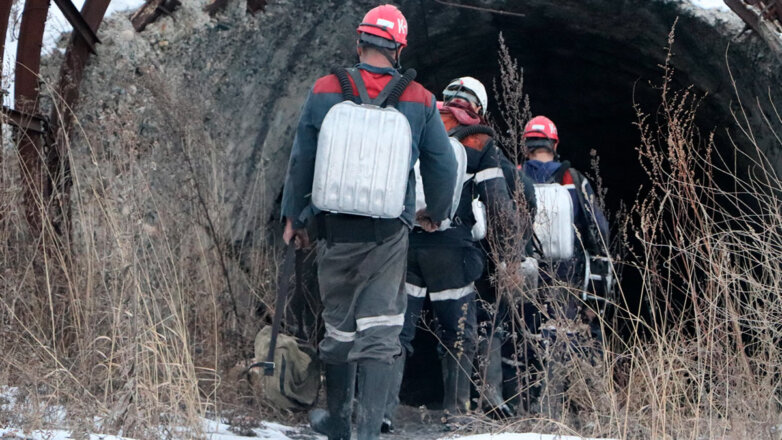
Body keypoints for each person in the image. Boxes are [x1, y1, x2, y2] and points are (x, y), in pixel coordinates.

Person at [280, 5, 458, 439]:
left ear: (359, 42)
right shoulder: (419, 98)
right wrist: (435, 213)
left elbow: (303, 156)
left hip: (334, 230)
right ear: (399, 49)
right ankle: (368, 432)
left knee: (339, 326)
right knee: (381, 329)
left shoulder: (326, 88)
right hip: (387, 236)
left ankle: (338, 421)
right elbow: (443, 165)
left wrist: (294, 217)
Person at [382, 76, 521, 431]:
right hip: (451, 250)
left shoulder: (418, 122)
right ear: (479, 107)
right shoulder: (480, 141)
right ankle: (456, 415)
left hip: (406, 243)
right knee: (459, 333)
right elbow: (498, 204)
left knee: (398, 329)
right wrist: (510, 254)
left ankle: (381, 409)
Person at [521, 115, 610, 413]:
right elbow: (598, 230)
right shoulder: (573, 179)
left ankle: (526, 403)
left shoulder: (515, 176)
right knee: (566, 331)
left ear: (526, 146)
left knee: (524, 332)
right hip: (567, 271)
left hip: (526, 269)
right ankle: (570, 404)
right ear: (555, 145)